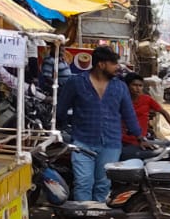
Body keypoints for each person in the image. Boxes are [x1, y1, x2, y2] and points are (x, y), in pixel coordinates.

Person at [59, 47, 142, 204]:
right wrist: (61, 128)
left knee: (103, 185)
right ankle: (84, 218)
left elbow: (128, 114)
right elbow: (62, 108)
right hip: (82, 142)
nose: (117, 67)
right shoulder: (76, 82)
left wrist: (139, 136)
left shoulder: (120, 86)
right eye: (113, 63)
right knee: (83, 182)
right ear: (101, 65)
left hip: (111, 143)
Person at [121, 73, 170, 159]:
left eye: (140, 86)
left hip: (140, 141)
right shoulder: (121, 100)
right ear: (127, 86)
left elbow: (164, 112)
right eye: (134, 85)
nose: (138, 88)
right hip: (123, 141)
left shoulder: (147, 99)